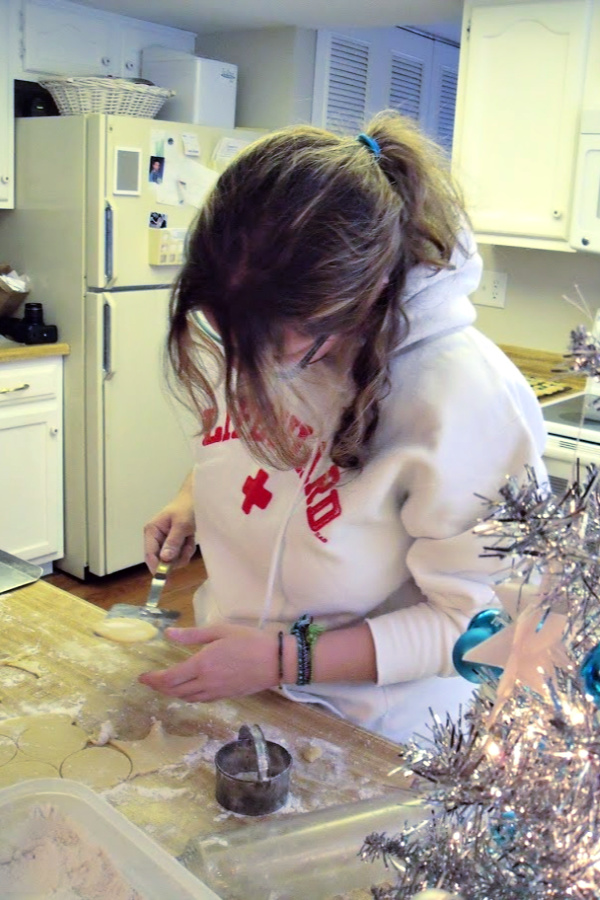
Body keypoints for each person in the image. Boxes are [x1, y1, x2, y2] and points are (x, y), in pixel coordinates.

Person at [139, 111, 547, 744]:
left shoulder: (464, 398)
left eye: (291, 343)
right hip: (237, 683)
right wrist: (192, 498)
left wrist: (282, 658)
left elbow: (478, 626)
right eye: (231, 330)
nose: (259, 362)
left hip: (373, 729)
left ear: (371, 288)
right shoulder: (254, 320)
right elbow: (255, 443)